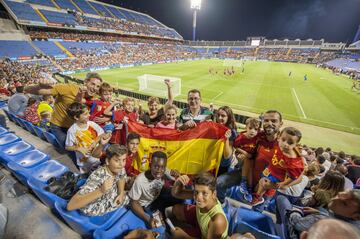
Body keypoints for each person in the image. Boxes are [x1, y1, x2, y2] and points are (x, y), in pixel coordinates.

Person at [24, 72, 103, 149]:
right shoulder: (68, 88)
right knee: (72, 151)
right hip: (59, 127)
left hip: (77, 128)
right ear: (85, 82)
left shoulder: (95, 99)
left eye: (98, 86)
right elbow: (27, 89)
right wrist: (39, 85)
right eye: (92, 84)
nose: (94, 88)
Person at [67, 145, 129, 216]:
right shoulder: (98, 176)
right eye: (117, 160)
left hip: (109, 196)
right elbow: (70, 206)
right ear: (107, 161)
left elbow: (122, 177)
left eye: (124, 160)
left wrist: (120, 193)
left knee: (129, 196)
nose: (121, 164)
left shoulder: (118, 168)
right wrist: (101, 190)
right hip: (94, 207)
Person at [252, 127, 305, 206]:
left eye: (290, 143)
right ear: (279, 137)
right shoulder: (278, 143)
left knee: (264, 186)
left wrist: (283, 184)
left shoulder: (294, 161)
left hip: (277, 178)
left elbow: (294, 177)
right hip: (269, 170)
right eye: (283, 140)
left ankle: (259, 202)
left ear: (295, 144)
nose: (285, 144)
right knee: (260, 184)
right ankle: (257, 198)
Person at [276, 189, 360, 238]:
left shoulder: (322, 221)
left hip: (294, 232)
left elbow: (297, 224)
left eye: (345, 203)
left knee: (281, 199)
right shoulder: (354, 228)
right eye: (342, 193)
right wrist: (319, 213)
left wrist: (295, 211)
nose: (337, 198)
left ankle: (279, 228)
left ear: (356, 217)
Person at [170, 173, 228, 239]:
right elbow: (176, 194)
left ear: (214, 194)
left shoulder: (217, 221)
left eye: (204, 193)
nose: (198, 198)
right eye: (196, 192)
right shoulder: (201, 194)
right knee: (176, 210)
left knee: (176, 236)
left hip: (205, 235)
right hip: (200, 224)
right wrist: (178, 182)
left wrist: (184, 236)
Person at [128, 151, 167, 228]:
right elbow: (133, 203)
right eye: (156, 166)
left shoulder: (164, 172)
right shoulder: (140, 180)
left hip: (157, 199)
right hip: (146, 205)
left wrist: (177, 176)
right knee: (159, 226)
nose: (159, 170)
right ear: (150, 165)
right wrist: (148, 218)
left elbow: (173, 176)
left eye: (162, 167)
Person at [65, 102, 106, 173]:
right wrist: (78, 148)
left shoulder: (92, 124)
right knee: (86, 178)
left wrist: (95, 142)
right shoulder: (72, 131)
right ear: (76, 117)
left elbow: (102, 134)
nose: (89, 115)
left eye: (88, 113)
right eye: (85, 114)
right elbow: (67, 147)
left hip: (97, 159)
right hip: (83, 163)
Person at [232, 117, 261, 202]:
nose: (252, 131)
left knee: (251, 164)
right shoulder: (241, 137)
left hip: (250, 158)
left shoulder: (256, 137)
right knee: (247, 160)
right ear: (246, 128)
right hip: (240, 156)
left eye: (255, 129)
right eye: (250, 128)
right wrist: (245, 153)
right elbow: (235, 146)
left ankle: (249, 188)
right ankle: (244, 182)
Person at [214, 106, 238, 175]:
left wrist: (226, 139)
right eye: (218, 115)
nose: (219, 118)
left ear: (229, 117)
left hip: (223, 165)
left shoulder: (231, 132)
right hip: (213, 162)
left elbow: (227, 156)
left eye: (223, 116)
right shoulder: (215, 127)